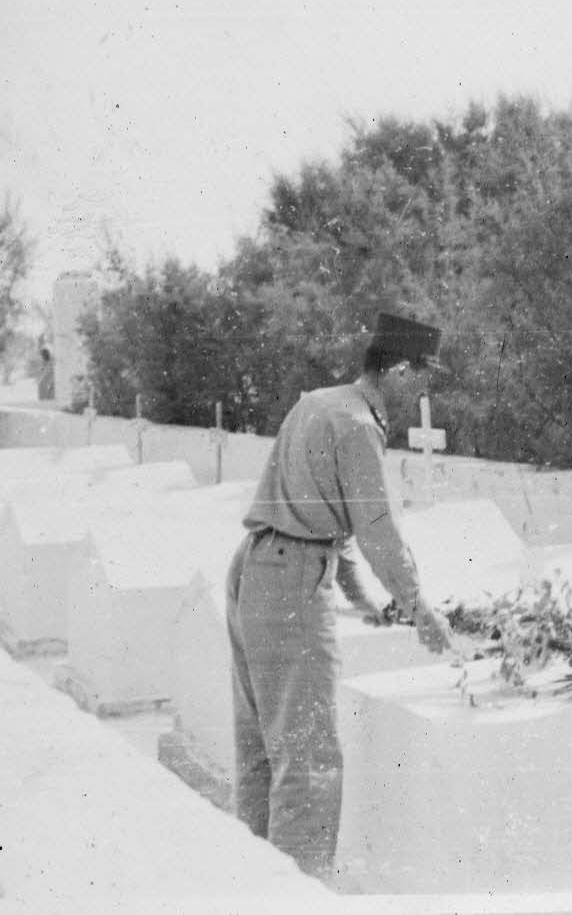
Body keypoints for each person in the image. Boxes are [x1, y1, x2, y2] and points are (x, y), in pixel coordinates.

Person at [226, 311, 455, 880]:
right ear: (400, 368)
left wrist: (358, 597)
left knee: (262, 755)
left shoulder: (320, 403)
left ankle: (253, 889)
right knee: (309, 764)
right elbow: (375, 529)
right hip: (290, 587)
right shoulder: (357, 426)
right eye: (423, 373)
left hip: (253, 569)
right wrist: (419, 607)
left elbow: (319, 514)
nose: (425, 386)